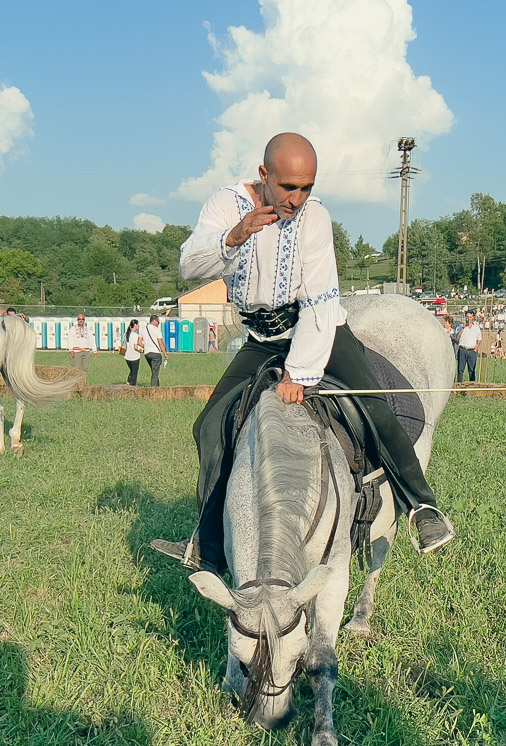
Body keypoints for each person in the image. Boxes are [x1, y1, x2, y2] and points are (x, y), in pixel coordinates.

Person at [173, 131, 454, 573]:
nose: (298, 198)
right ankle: (209, 549)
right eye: (288, 187)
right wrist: (234, 236)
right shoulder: (225, 205)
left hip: (319, 330)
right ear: (264, 175)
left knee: (374, 407)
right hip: (261, 339)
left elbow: (321, 302)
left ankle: (422, 507)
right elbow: (190, 265)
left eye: (307, 187)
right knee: (208, 426)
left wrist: (299, 375)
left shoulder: (315, 219)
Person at [141, 314, 168, 386]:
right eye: (158, 322)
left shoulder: (143, 329)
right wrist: (165, 353)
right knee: (155, 374)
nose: (159, 324)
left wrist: (145, 346)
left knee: (154, 371)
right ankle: (153, 390)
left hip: (147, 354)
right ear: (155, 321)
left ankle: (158, 388)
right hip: (155, 353)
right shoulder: (157, 330)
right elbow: (161, 342)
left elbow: (139, 342)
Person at [456, 312, 482, 383]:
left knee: (472, 370)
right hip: (463, 350)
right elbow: (458, 336)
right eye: (467, 317)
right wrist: (464, 327)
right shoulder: (461, 327)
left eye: (470, 317)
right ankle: (460, 385)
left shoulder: (476, 328)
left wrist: (477, 347)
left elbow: (479, 339)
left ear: (473, 318)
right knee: (460, 370)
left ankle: (472, 385)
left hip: (472, 351)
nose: (468, 319)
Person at [122, 318, 144, 384]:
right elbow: (136, 347)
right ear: (135, 326)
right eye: (138, 325)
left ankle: (128, 383)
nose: (139, 326)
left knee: (131, 371)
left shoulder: (126, 334)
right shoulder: (135, 335)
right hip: (135, 357)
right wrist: (142, 350)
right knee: (134, 374)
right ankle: (133, 387)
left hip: (127, 356)